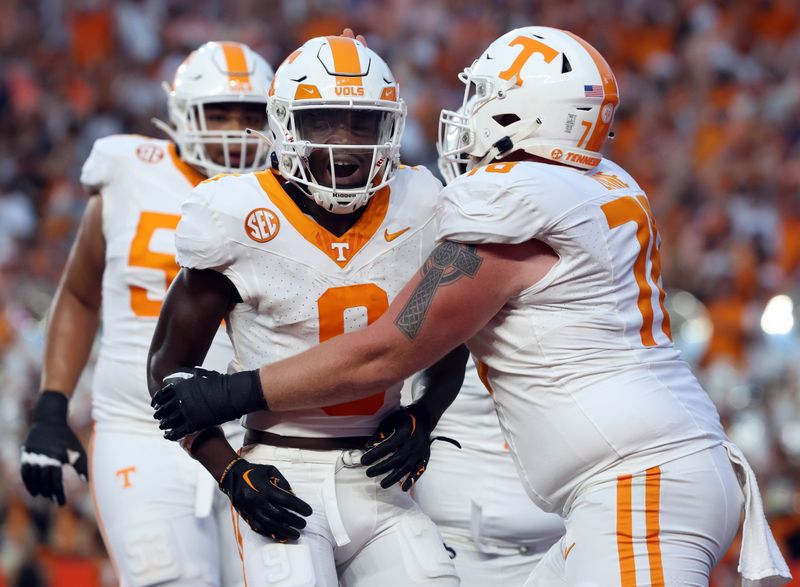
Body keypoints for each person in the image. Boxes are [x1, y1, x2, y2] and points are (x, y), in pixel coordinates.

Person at [152, 26, 793, 586]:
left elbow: (391, 346)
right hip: (651, 473)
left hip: (639, 487)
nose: (466, 113)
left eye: (483, 97)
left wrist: (230, 393)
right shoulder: (604, 181)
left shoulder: (508, 206)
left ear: (525, 116)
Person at [147, 35, 461, 586]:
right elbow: (168, 374)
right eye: (323, 123)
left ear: (389, 128)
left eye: (362, 124)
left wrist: (424, 415)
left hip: (381, 481)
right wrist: (229, 471)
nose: (343, 144)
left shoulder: (421, 204)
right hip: (279, 468)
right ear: (286, 126)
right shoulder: (235, 215)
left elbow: (446, 334)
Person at [20, 41, 274, 587]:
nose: (234, 131)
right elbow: (81, 295)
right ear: (182, 115)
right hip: (142, 428)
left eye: (251, 116)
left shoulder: (289, 194)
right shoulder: (129, 173)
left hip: (258, 435)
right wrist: (51, 406)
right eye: (220, 114)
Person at [407, 136, 564, 586]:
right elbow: (388, 355)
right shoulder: (440, 259)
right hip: (457, 542)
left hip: (568, 538)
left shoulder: (590, 259)